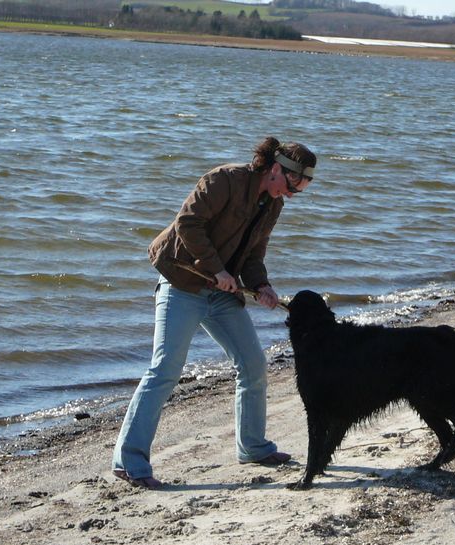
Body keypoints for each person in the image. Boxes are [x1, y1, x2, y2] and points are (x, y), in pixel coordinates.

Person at [112, 136, 317, 489]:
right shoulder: (223, 179)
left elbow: (255, 253)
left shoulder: (273, 204)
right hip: (182, 284)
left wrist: (261, 284)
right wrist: (216, 270)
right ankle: (129, 463)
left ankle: (253, 447)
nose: (292, 194)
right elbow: (187, 225)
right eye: (291, 185)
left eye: (300, 190)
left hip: (222, 294)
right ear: (274, 169)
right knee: (164, 370)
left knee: (253, 365)